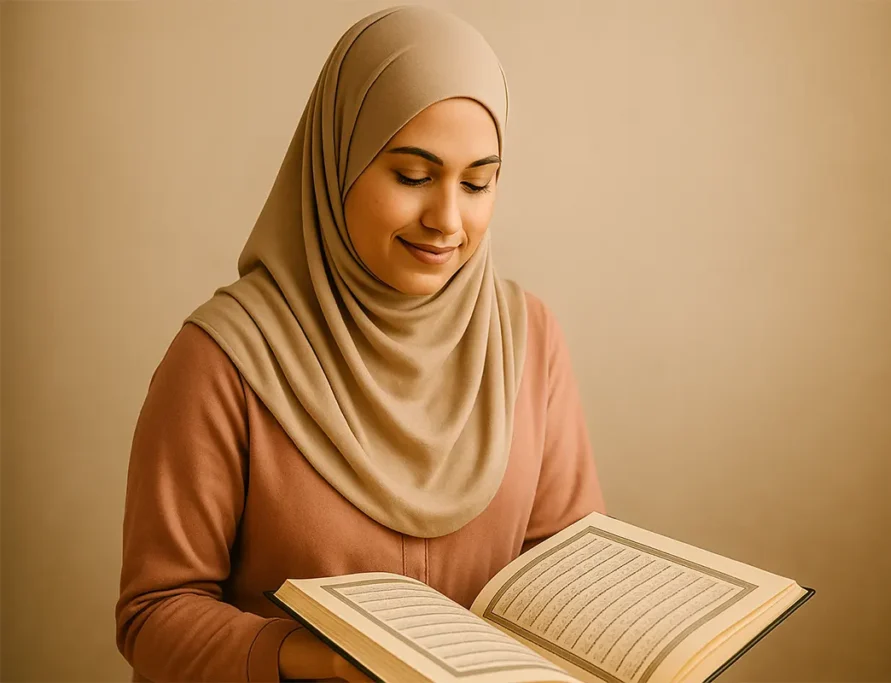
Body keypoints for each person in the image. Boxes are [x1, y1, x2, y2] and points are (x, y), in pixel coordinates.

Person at [114, 6, 605, 682]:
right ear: (338, 160)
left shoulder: (527, 340)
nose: (447, 220)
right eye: (413, 176)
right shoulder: (224, 360)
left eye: (477, 182)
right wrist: (316, 656)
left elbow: (569, 574)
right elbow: (154, 613)